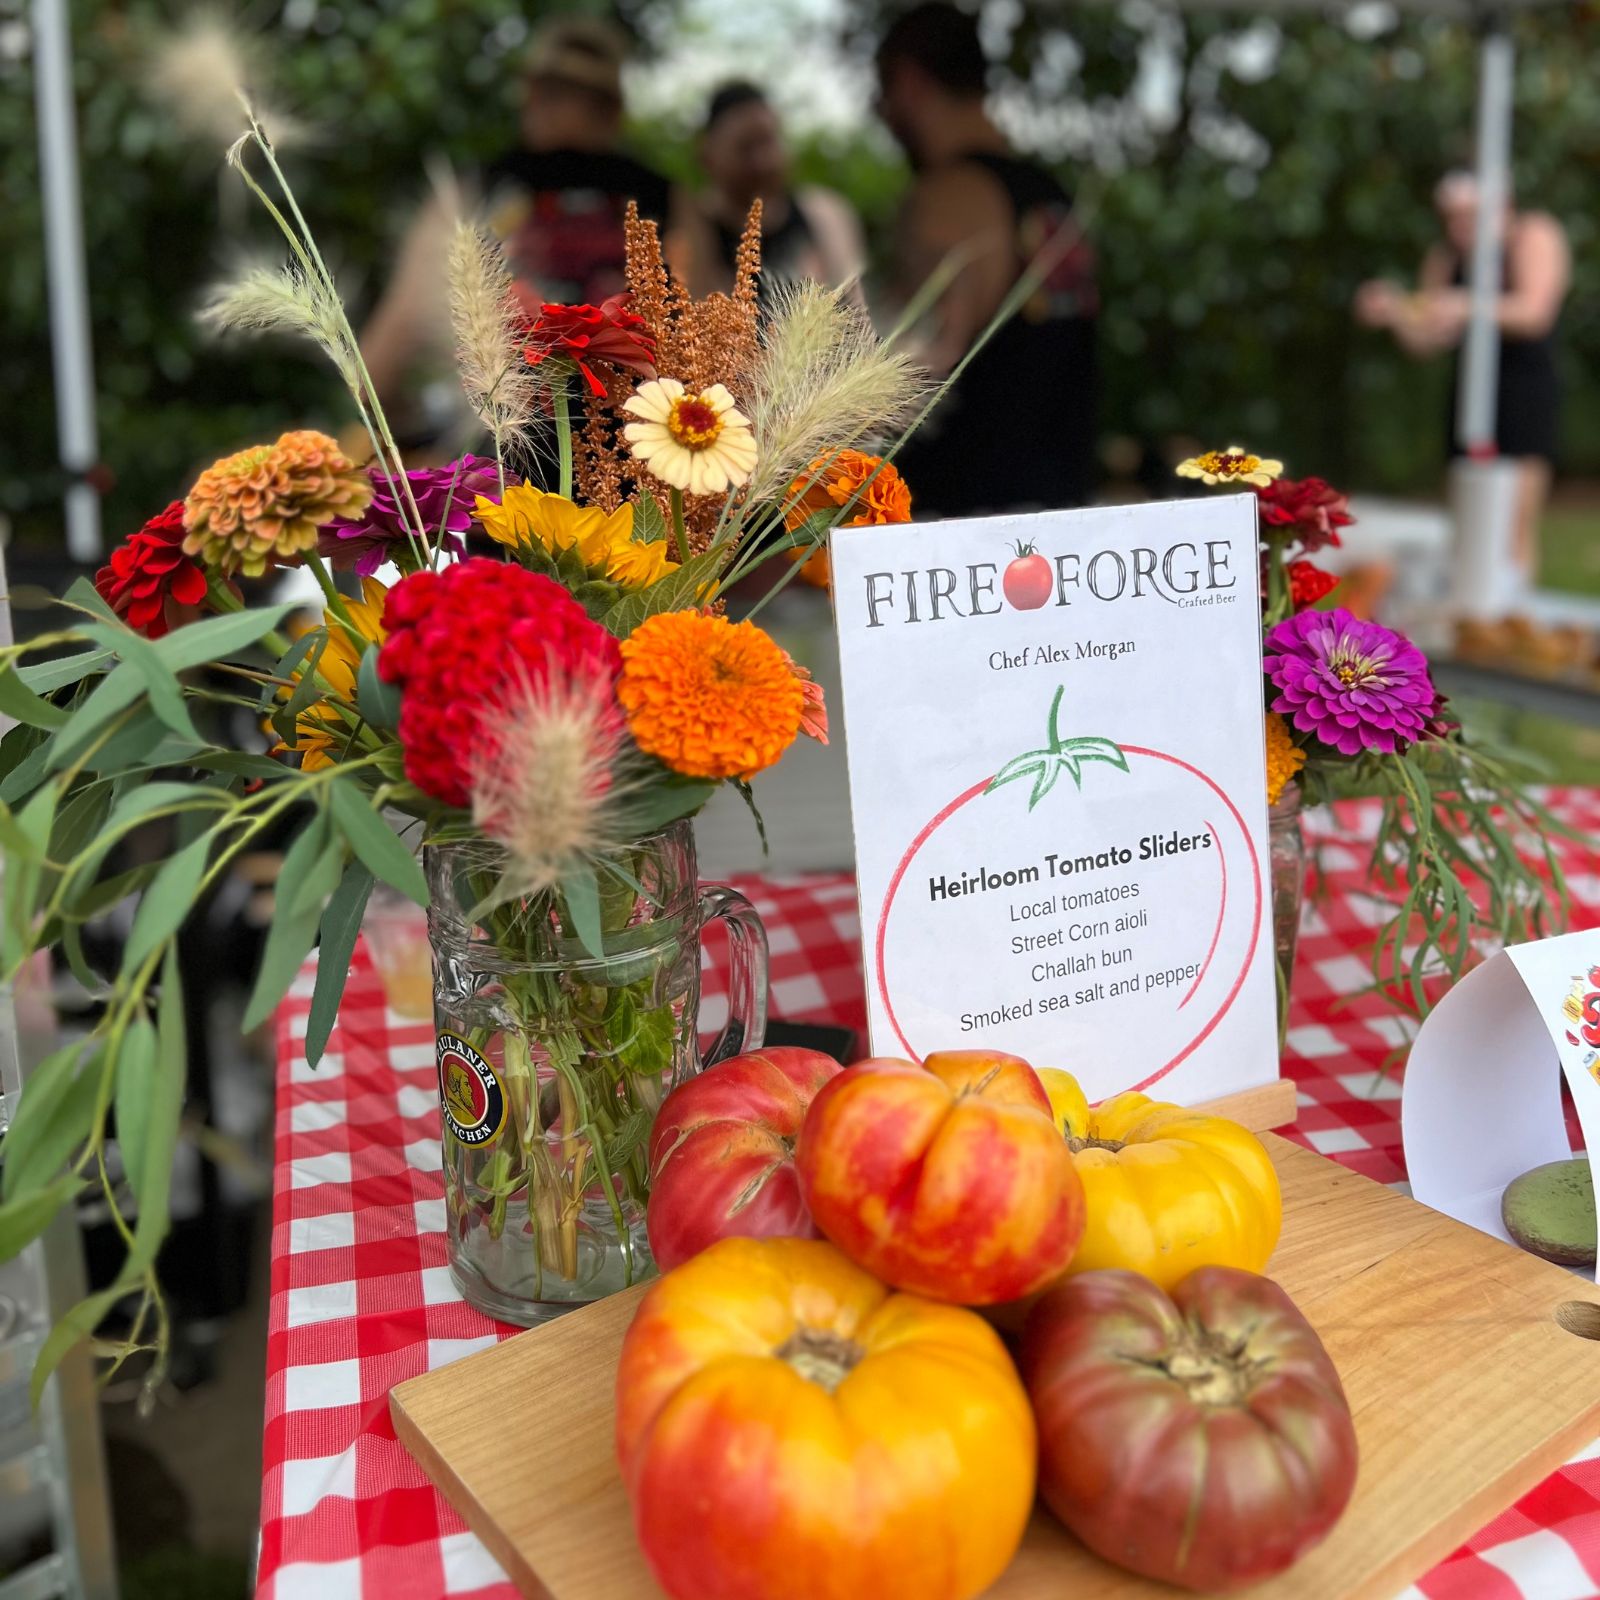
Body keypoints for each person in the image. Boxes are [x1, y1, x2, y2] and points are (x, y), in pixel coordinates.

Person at [361, 18, 679, 432]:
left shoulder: (474, 191)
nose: (563, 108)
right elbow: (403, 320)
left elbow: (693, 317)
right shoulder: (478, 189)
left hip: (610, 434)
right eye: (556, 92)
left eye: (572, 94)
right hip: (549, 434)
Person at [874, 1, 1098, 518]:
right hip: (1065, 515)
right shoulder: (1052, 198)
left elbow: (914, 368)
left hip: (964, 532)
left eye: (882, 93)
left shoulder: (946, 198)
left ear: (907, 83)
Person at [1356, 172, 1569, 582]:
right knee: (1468, 522)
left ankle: (1511, 609)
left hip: (1523, 392)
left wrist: (1464, 305)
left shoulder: (1533, 235)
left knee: (1514, 524)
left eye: (1468, 216)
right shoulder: (1447, 257)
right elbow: (1426, 338)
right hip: (1469, 398)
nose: (1458, 227)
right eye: (1450, 218)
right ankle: (1471, 610)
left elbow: (1535, 312)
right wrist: (1396, 310)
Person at [683, 82, 865, 302]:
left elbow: (854, 311)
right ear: (708, 154)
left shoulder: (824, 216)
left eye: (767, 143)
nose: (761, 163)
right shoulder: (689, 227)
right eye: (745, 148)